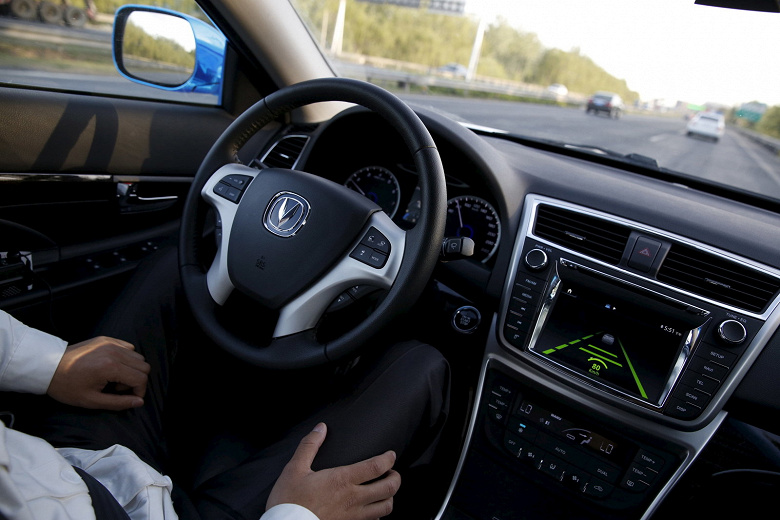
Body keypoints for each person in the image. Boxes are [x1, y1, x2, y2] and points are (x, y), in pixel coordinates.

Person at [0, 247, 451, 520]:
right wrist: (298, 513)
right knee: (421, 367)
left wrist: (47, 364)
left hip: (61, 465)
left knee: (180, 270)